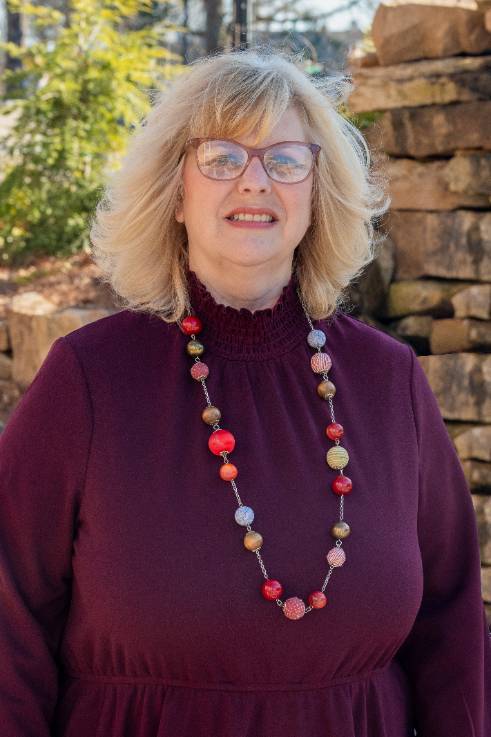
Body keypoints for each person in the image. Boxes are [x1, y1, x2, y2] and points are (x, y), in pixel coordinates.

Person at [0, 46, 489, 737]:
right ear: (174, 191)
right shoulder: (88, 381)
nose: (254, 182)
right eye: (221, 159)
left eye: (284, 160)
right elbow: (7, 616)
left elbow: (452, 624)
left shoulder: (388, 381)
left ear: (316, 192)